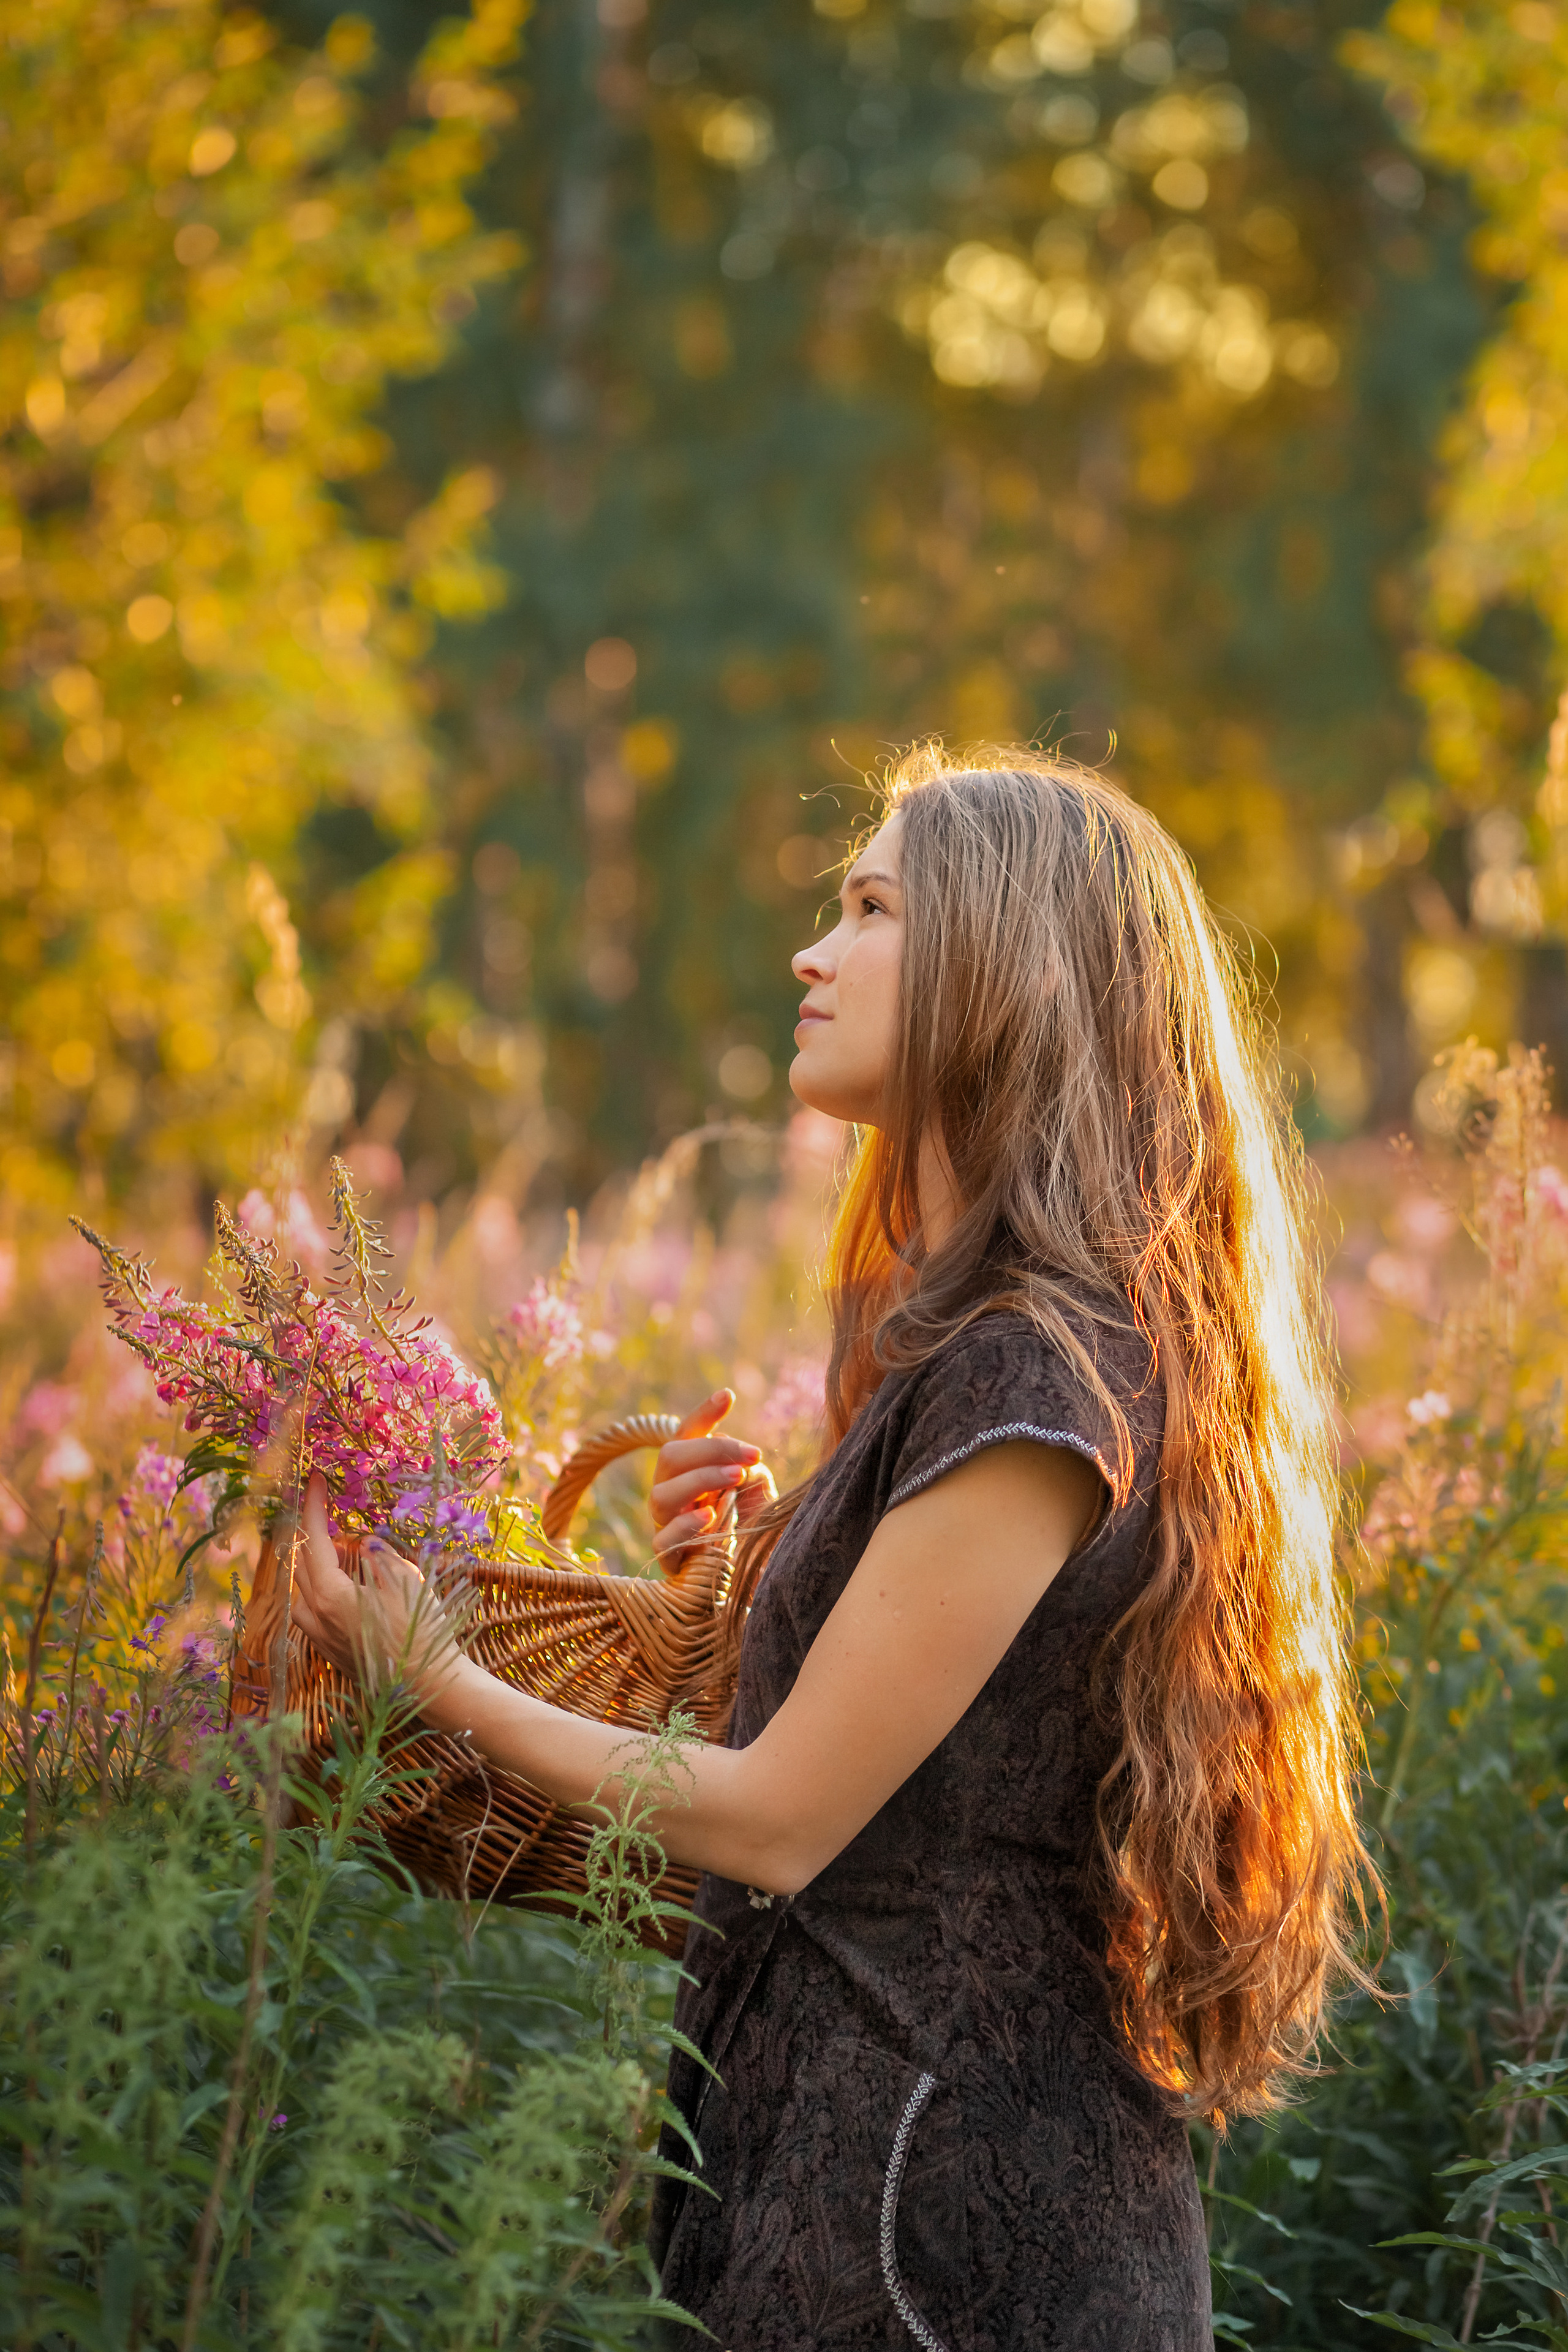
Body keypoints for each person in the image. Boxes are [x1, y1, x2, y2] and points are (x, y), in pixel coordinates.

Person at [292, 744, 1373, 2351]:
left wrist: (434, 1678)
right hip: (862, 2178)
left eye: (871, 909)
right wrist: (758, 1592)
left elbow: (787, 1819)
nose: (813, 951)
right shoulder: (978, 1351)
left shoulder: (1033, 1374)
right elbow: (931, 1765)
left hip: (940, 2232)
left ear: (1000, 976)